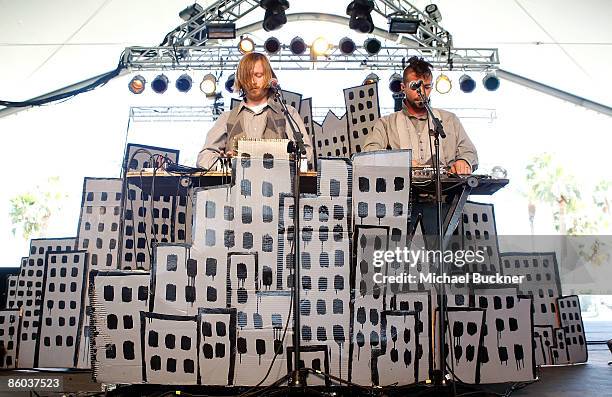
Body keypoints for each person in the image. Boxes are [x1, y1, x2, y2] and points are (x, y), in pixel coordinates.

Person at [196, 52, 313, 169]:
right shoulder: (227, 118)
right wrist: (226, 164)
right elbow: (204, 157)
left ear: (268, 77)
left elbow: (305, 153)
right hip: (237, 186)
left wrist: (283, 161)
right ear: (240, 80)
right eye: (247, 76)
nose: (252, 81)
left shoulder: (287, 113)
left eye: (258, 75)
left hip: (278, 184)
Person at [363, 57, 478, 174]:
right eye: (415, 87)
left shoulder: (450, 119)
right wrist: (400, 162)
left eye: (427, 87)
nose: (422, 92)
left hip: (446, 190)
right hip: (402, 190)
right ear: (403, 88)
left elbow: (469, 152)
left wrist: (464, 161)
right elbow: (369, 153)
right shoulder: (386, 123)